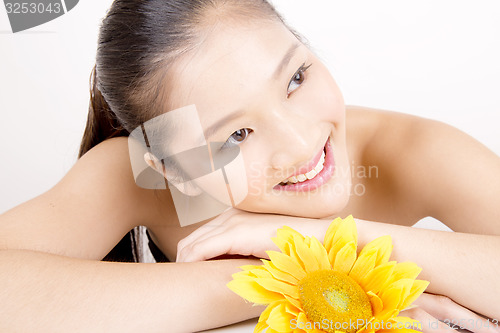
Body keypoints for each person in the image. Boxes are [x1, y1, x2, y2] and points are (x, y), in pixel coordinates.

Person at [1, 0, 499, 332]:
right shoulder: (147, 183)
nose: (301, 142)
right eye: (236, 135)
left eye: (296, 78)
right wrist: (292, 278)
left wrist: (341, 242)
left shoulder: (407, 154)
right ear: (172, 169)